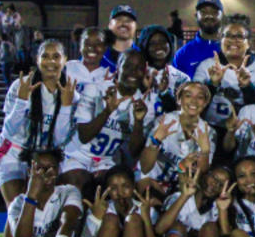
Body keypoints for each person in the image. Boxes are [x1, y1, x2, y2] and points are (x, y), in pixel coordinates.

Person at [0, 40, 77, 210]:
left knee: (42, 212)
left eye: (56, 56)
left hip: (44, 157)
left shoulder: (71, 93)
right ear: (37, 59)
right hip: (13, 151)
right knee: (17, 210)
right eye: (45, 56)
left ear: (65, 59)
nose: (51, 61)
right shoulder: (20, 85)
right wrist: (21, 101)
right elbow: (9, 131)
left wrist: (66, 107)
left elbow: (60, 138)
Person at [60, 49, 155, 195]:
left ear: (145, 71)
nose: (133, 72)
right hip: (78, 154)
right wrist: (107, 111)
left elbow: (134, 152)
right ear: (118, 68)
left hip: (106, 161)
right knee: (78, 187)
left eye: (139, 68)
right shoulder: (96, 89)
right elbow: (84, 136)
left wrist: (138, 122)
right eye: (127, 66)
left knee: (115, 191)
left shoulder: (144, 104)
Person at [193, 14, 255, 130]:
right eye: (228, 35)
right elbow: (194, 105)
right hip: (211, 130)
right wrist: (212, 85)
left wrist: (247, 87)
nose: (233, 41)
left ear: (249, 42)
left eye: (239, 36)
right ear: (220, 39)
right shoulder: (206, 66)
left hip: (249, 132)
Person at [137, 81, 215, 193]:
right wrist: (156, 142)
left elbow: (201, 174)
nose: (193, 101)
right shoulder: (164, 121)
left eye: (200, 97)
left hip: (180, 186)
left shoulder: (208, 132)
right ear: (179, 100)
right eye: (188, 95)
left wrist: (205, 151)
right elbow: (145, 168)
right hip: (150, 181)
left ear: (205, 103)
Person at [136, 24, 191, 118]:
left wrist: (165, 92)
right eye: (152, 43)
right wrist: (142, 87)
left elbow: (185, 114)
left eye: (163, 41)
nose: (159, 46)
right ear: (144, 47)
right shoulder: (136, 75)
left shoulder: (182, 79)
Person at [173, 0, 223, 77]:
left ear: (222, 16)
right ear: (196, 15)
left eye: (214, 12)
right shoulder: (183, 54)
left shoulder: (230, 50)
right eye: (203, 12)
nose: (209, 16)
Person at [64, 27, 110, 96]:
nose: (92, 47)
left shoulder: (110, 75)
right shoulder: (67, 68)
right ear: (80, 46)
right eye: (87, 43)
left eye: (98, 44)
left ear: (105, 48)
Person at [103, 5, 138, 72]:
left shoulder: (143, 56)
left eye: (129, 20)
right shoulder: (97, 55)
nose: (124, 23)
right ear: (110, 25)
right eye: (119, 19)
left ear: (135, 26)